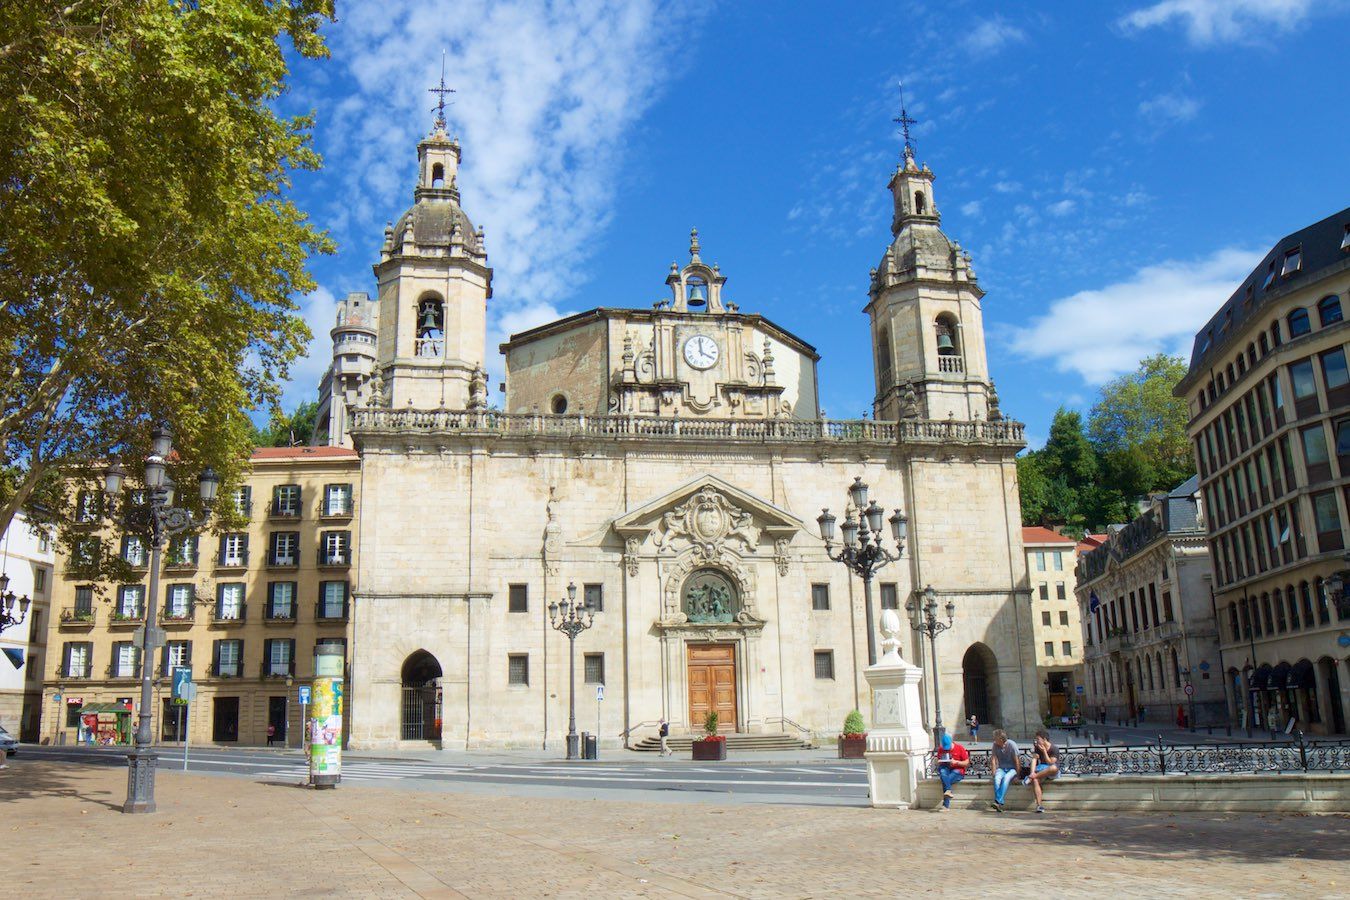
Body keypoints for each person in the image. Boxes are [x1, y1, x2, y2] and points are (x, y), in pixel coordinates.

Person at [1023, 729, 1059, 813]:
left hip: (1051, 771)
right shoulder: (1037, 748)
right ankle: (1039, 805)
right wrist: (1032, 772)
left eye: (1038, 739)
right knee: (1035, 780)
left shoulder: (1054, 748)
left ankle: (1032, 777)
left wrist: (1044, 752)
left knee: (1053, 767)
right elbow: (1034, 760)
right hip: (1041, 771)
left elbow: (1050, 762)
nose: (1036, 741)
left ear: (1044, 739)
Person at [935, 732, 970, 810]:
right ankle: (948, 792)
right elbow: (937, 760)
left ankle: (946, 805)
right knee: (943, 773)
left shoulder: (959, 748)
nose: (947, 749)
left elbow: (966, 762)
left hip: (957, 769)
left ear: (952, 742)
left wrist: (956, 762)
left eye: (948, 747)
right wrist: (938, 761)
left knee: (946, 779)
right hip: (945, 767)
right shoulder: (941, 749)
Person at [989, 729, 1019, 812]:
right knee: (997, 778)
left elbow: (1017, 761)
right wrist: (994, 771)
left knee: (1006, 778)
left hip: (1012, 768)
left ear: (1001, 740)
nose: (994, 740)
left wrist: (1017, 775)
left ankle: (997, 801)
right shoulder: (995, 745)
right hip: (1002, 768)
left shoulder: (1012, 744)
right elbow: (993, 759)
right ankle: (999, 802)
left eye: (995, 738)